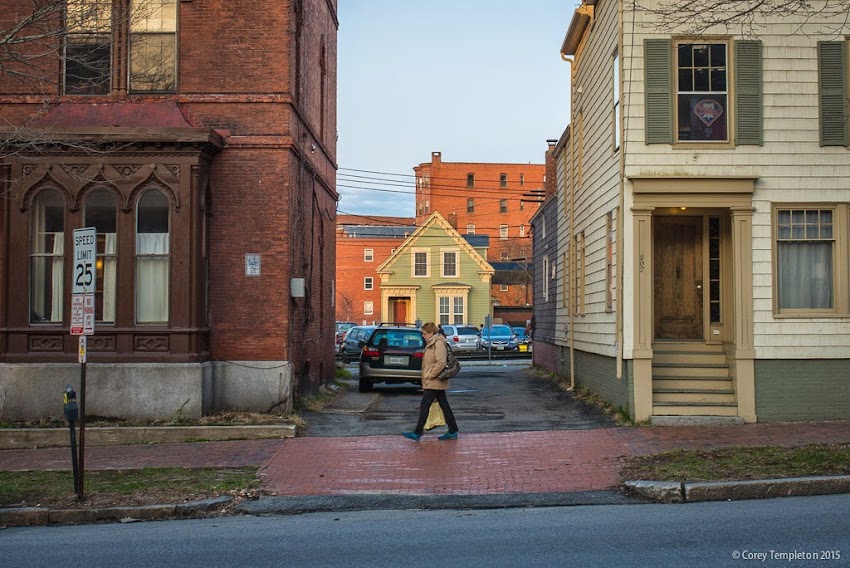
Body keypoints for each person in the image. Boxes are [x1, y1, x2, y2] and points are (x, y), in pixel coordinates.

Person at [402, 322, 459, 441]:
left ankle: (417, 432)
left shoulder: (438, 343)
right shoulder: (432, 343)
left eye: (424, 333)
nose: (423, 336)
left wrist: (430, 375)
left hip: (434, 380)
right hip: (434, 380)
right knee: (444, 405)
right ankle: (453, 430)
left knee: (425, 405)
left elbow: (441, 362)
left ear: (431, 333)